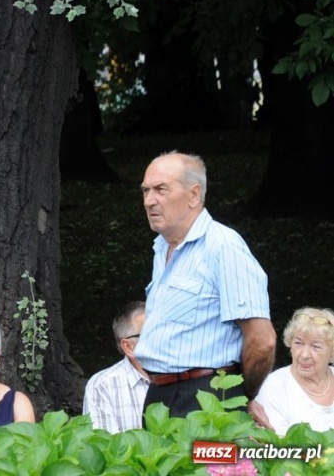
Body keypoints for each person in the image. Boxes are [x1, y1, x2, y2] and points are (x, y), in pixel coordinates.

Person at [135, 151, 276, 420]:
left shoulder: (223, 246)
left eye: (161, 189)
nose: (149, 200)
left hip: (207, 396)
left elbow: (262, 341)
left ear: (193, 194)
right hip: (159, 396)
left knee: (207, 452)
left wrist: (241, 395)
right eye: (145, 191)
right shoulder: (162, 247)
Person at [255, 308, 334, 435]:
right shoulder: (274, 385)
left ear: (332, 351)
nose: (304, 354)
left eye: (316, 346)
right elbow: (277, 443)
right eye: (298, 343)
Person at [82, 301, 150, 433]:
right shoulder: (103, 385)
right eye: (150, 333)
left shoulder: (186, 375)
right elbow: (105, 443)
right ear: (128, 347)